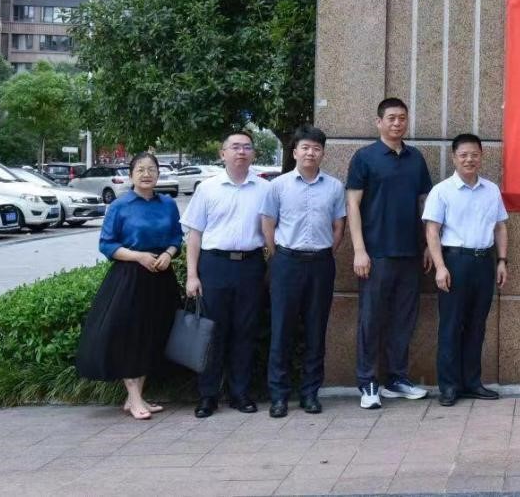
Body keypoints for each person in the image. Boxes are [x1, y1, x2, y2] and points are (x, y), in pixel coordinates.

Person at [75, 152, 182, 420]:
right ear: (131, 175)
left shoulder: (168, 204)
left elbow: (176, 238)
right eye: (140, 169)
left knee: (152, 335)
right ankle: (134, 399)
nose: (146, 174)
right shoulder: (120, 206)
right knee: (130, 338)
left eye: (151, 169)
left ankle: (136, 397)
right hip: (129, 278)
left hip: (161, 278)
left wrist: (168, 254)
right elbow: (107, 244)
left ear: (158, 174)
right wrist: (138, 257)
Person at [346, 97, 433, 409]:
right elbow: (352, 204)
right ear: (379, 122)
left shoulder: (416, 158)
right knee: (371, 320)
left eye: (402, 118)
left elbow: (424, 204)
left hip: (410, 252)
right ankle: (368, 382)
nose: (397, 123)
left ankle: (397, 379)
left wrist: (428, 244)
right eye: (392, 118)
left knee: (403, 319)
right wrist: (359, 250)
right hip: (376, 253)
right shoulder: (364, 157)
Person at [260, 126, 347, 418]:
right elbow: (268, 224)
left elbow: (339, 227)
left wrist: (326, 252)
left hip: (321, 264)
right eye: (305, 148)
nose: (311, 153)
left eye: (316, 148)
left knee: (315, 330)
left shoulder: (334, 187)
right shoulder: (278, 186)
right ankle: (279, 396)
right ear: (295, 151)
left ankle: (310, 394)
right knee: (281, 330)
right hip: (286, 262)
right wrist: (278, 255)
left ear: (323, 153)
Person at [183, 130, 269, 418]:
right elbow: (195, 234)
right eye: (235, 147)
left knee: (245, 330)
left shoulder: (264, 188)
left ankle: (239, 393)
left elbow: (271, 230)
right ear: (223, 154)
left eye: (247, 147)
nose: (241, 152)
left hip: (251, 265)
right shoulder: (207, 188)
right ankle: (208, 395)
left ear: (253, 154)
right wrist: (192, 275)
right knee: (212, 332)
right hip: (215, 265)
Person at [422, 133, 508, 407]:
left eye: (474, 155)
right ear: (454, 158)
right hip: (454, 262)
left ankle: (472, 382)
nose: (469, 159)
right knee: (451, 326)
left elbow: (500, 227)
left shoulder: (491, 190)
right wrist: (440, 267)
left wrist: (502, 260)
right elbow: (432, 231)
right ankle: (449, 386)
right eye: (464, 155)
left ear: (481, 156)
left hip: (483, 262)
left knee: (476, 325)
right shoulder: (442, 191)